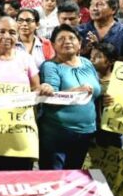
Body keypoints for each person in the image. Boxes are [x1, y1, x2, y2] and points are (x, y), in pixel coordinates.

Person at [0, 17, 53, 171]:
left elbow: (35, 88)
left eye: (12, 32)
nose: (7, 36)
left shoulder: (26, 59)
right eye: (2, 31)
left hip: (19, 134)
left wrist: (44, 88)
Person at [38, 24, 101, 170]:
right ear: (53, 45)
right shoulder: (50, 66)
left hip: (86, 132)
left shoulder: (87, 63)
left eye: (72, 38)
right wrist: (76, 91)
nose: (67, 41)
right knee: (54, 179)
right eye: (61, 39)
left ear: (79, 43)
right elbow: (50, 99)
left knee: (73, 176)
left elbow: (95, 92)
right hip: (58, 133)